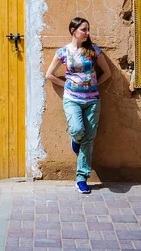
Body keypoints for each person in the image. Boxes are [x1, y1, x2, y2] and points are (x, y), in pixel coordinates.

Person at [45, 16, 111, 194]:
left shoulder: (94, 51)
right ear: (73, 31)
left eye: (88, 29)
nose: (87, 33)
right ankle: (75, 140)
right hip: (72, 99)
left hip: (92, 101)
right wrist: (65, 84)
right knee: (77, 129)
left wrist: (95, 86)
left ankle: (81, 178)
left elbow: (107, 72)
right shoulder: (63, 52)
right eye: (84, 29)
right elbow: (49, 75)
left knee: (89, 140)